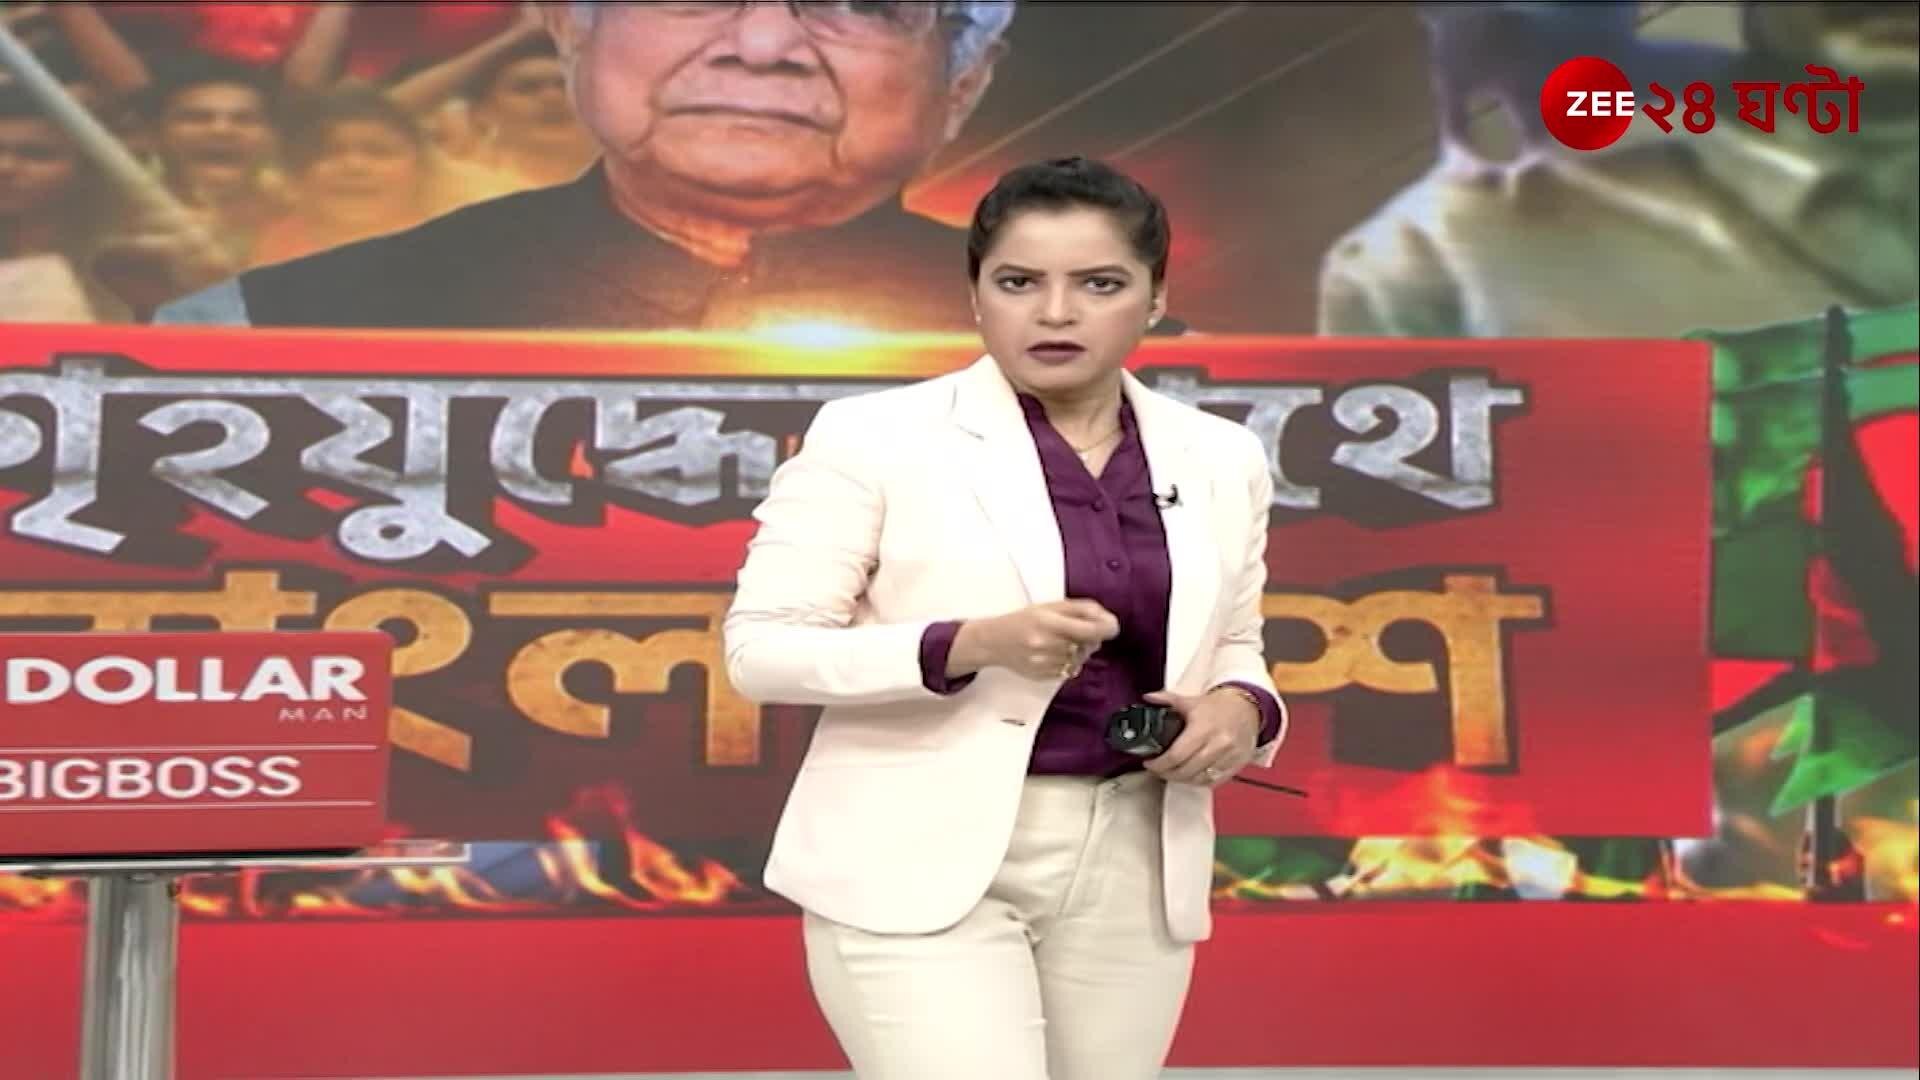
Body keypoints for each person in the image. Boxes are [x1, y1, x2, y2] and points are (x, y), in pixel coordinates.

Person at [722, 157, 1288, 1080]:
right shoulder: (875, 436)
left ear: (1155, 298)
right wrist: (968, 644)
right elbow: (764, 650)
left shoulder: (1221, 455)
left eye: (1099, 284)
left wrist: (1244, 710)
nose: (1055, 313)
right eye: (1019, 282)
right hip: (918, 859)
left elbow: (1235, 643)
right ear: (976, 295)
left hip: (1135, 857)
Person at [154, 0, 1019, 332]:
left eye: (861, 6)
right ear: (572, 29)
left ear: (964, 81)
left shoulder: (1081, 352)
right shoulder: (268, 334)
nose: (761, 45)